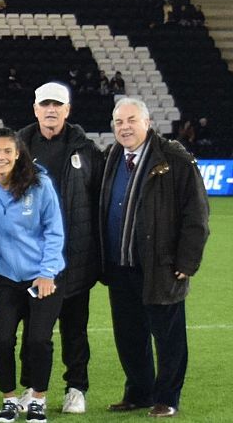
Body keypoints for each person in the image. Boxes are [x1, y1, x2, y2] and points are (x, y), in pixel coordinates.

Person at [100, 98, 208, 418]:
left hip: (162, 266)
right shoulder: (112, 157)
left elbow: (197, 216)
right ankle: (138, 392)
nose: (125, 127)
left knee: (168, 338)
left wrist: (186, 263)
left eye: (131, 120)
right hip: (121, 266)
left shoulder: (174, 158)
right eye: (119, 122)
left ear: (147, 122)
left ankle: (167, 397)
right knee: (130, 335)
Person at [16, 82, 103, 414]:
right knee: (33, 329)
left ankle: (76, 387)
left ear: (67, 110)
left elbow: (97, 202)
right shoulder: (19, 147)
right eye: (45, 105)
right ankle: (31, 388)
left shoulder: (87, 150)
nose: (51, 110)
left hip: (74, 256)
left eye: (58, 105)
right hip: (30, 258)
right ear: (35, 109)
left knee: (74, 327)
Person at [0, 128, 65, 423]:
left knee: (38, 340)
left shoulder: (40, 185)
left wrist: (47, 272)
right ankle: (10, 400)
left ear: (17, 154)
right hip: (6, 279)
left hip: (43, 277)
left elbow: (54, 230)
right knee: (0, 341)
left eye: (6, 152)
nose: (0, 157)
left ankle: (37, 399)